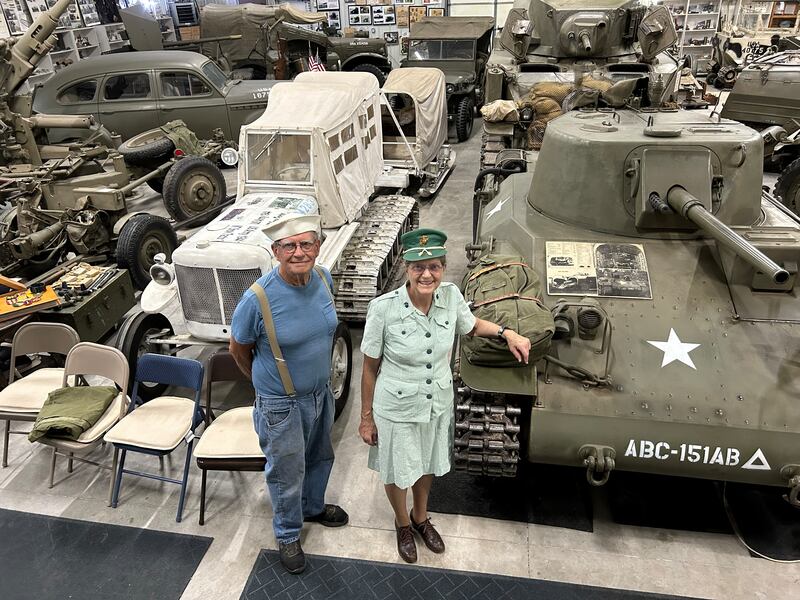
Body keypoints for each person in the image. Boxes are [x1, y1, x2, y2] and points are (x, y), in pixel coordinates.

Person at [358, 228, 531, 563]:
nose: (427, 274)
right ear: (407, 268)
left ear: (443, 268)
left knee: (427, 464)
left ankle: (421, 517)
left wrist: (507, 332)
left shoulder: (450, 296)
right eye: (418, 267)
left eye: (435, 266)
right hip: (395, 406)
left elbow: (471, 325)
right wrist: (366, 418)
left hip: (436, 403)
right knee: (397, 470)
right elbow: (369, 368)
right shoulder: (384, 309)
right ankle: (402, 523)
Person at [229, 213, 348, 575]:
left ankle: (312, 506)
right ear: (275, 251)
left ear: (318, 246)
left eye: (306, 244)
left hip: (320, 393)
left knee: (320, 455)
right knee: (286, 471)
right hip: (282, 404)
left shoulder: (324, 279)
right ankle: (287, 533)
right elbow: (238, 350)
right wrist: (269, 387)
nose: (299, 252)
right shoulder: (257, 299)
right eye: (289, 246)